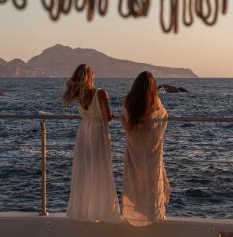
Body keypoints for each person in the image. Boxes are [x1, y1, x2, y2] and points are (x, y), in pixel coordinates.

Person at [63, 64, 120, 222]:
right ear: (90, 77)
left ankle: (82, 210)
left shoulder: (79, 95)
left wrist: (75, 81)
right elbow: (107, 117)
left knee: (84, 168)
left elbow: (69, 83)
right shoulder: (100, 93)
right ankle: (101, 211)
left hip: (83, 131)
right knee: (100, 168)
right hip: (97, 131)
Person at [121, 71, 169, 227]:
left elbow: (125, 121)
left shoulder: (127, 103)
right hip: (151, 154)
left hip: (133, 152)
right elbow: (163, 118)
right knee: (151, 181)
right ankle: (151, 213)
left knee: (135, 181)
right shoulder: (156, 106)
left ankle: (134, 214)